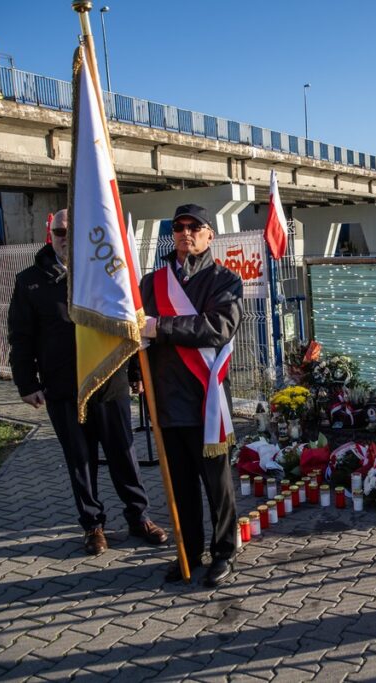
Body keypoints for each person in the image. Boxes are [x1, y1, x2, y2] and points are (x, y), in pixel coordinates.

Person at [7, 209, 168, 556]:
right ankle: (93, 525)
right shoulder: (30, 281)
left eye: (73, 230)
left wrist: (137, 375)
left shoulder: (107, 274)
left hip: (111, 382)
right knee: (80, 461)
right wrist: (26, 383)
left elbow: (128, 327)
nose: (66, 237)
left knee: (124, 454)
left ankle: (138, 517)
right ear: (51, 234)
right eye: (60, 231)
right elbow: (20, 338)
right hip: (64, 387)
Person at [139, 203, 243, 588]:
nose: (186, 233)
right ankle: (190, 549)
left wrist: (159, 326)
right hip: (166, 399)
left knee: (217, 486)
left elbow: (216, 327)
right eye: (179, 226)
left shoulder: (224, 280)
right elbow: (139, 337)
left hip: (206, 399)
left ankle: (224, 551)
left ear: (209, 234)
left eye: (194, 227)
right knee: (180, 486)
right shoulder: (152, 283)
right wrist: (138, 372)